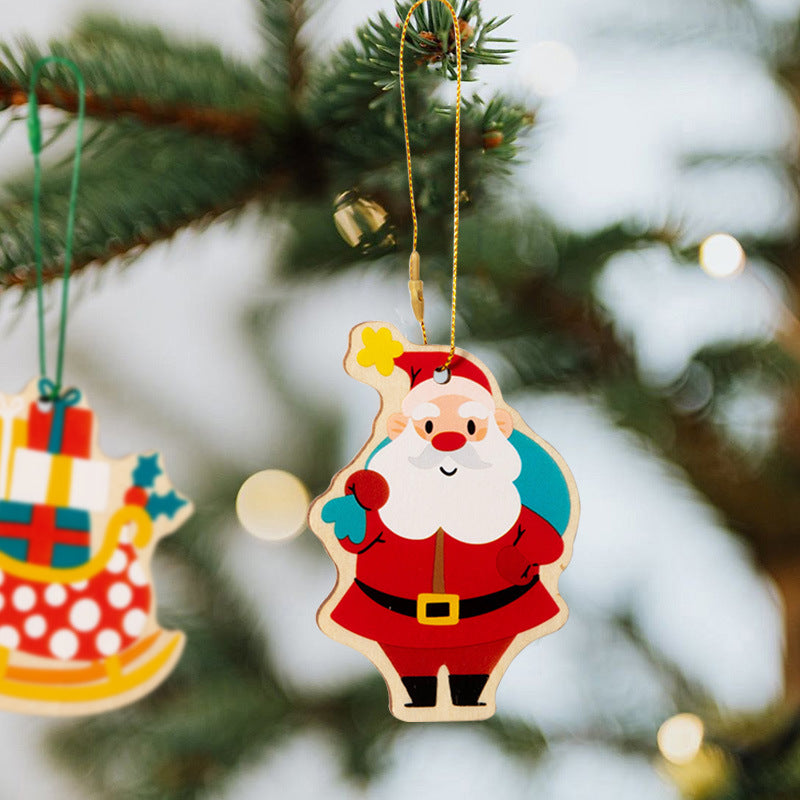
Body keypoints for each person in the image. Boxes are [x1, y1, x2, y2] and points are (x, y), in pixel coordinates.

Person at [318, 327, 575, 711]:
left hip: (491, 618)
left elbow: (547, 544)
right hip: (396, 620)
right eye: (429, 427)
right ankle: (417, 691)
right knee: (412, 677)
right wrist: (355, 516)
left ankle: (470, 690)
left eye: (470, 427)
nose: (449, 440)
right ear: (398, 428)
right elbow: (356, 537)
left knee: (473, 676)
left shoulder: (504, 506)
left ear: (499, 429)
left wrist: (530, 551)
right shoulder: (389, 500)